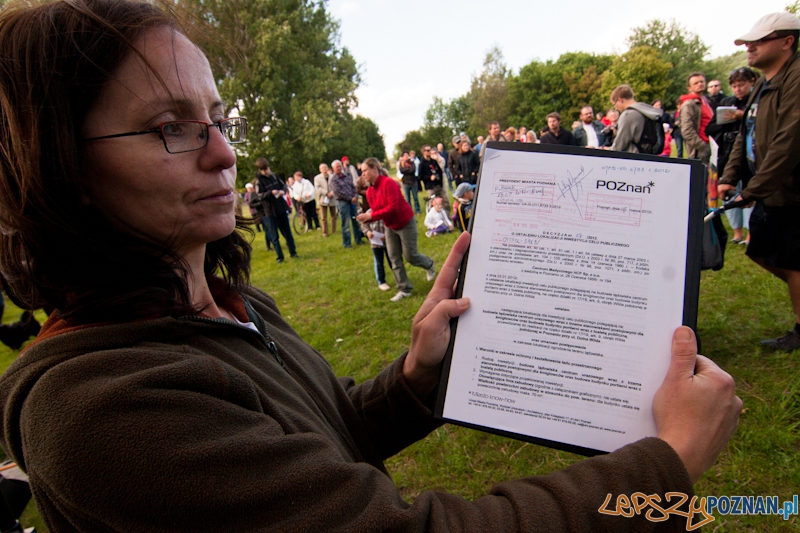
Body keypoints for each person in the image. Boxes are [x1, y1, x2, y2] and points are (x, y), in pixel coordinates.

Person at [0, 1, 742, 531]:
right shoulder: (102, 409)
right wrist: (665, 463)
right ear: (58, 168)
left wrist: (414, 377)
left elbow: (317, 440)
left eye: (219, 119)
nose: (225, 152)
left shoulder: (227, 302)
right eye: (171, 128)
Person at [718, 12, 800, 351]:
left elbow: (789, 140)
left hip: (793, 189)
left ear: (787, 42)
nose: (750, 46)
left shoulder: (795, 78)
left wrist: (753, 191)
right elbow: (744, 133)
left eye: (760, 40)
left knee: (793, 261)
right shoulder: (763, 82)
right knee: (760, 251)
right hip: (771, 188)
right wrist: (729, 177)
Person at [356, 159, 436, 302]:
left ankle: (429, 264)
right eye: (361, 172)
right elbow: (377, 211)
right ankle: (404, 289)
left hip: (405, 222)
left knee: (410, 256)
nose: (363, 175)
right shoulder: (369, 192)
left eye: (365, 171)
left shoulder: (389, 183)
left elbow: (393, 208)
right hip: (390, 226)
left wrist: (372, 215)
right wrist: (367, 219)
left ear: (375, 169)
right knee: (394, 257)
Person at [708, 67, 758, 245]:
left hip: (750, 156)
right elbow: (710, 128)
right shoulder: (727, 102)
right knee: (728, 193)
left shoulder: (756, 102)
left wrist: (742, 116)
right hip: (727, 154)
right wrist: (726, 119)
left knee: (748, 194)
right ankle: (737, 233)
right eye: (734, 86)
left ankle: (750, 233)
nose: (738, 89)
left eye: (741, 85)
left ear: (751, 82)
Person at [255, 158, 298, 263]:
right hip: (270, 212)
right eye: (264, 169)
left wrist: (282, 191)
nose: (266, 171)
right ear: (260, 170)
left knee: (288, 233)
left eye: (267, 168)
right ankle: (280, 257)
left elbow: (284, 186)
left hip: (281, 209)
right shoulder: (259, 181)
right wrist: (270, 193)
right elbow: (259, 196)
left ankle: (293, 252)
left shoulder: (274, 176)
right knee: (275, 236)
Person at [609, 85, 664, 153]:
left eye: (614, 104)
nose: (616, 108)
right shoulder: (646, 110)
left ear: (620, 100)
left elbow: (619, 145)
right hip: (649, 155)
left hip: (633, 158)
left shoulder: (628, 115)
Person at [679, 72, 713, 164]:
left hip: (711, 145)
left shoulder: (706, 101)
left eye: (701, 81)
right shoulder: (689, 104)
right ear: (689, 88)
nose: (700, 84)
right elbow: (687, 130)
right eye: (696, 83)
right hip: (699, 150)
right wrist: (703, 146)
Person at [330, 159, 364, 248]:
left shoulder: (347, 176)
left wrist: (355, 196)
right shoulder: (333, 180)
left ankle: (359, 239)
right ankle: (347, 243)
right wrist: (350, 198)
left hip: (352, 202)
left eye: (340, 166)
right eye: (336, 167)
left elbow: (353, 187)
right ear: (333, 168)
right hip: (343, 203)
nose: (339, 168)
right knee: (345, 224)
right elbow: (338, 192)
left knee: (356, 221)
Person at [314, 163, 337, 237]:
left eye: (325, 167)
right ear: (320, 170)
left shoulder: (333, 176)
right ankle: (325, 232)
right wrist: (326, 193)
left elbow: (336, 186)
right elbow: (318, 188)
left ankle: (334, 230)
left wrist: (332, 193)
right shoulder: (317, 178)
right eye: (322, 168)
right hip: (323, 199)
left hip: (332, 198)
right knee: (323, 217)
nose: (324, 169)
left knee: (334, 216)